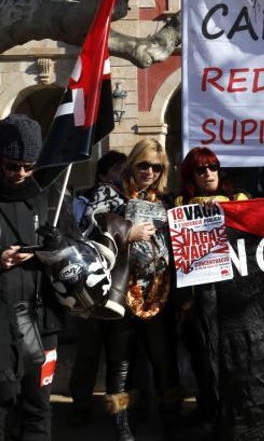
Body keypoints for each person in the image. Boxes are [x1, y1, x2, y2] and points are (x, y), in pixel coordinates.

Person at [80, 138, 181, 441]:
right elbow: (87, 227)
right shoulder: (108, 194)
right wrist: (127, 231)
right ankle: (122, 430)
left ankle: (171, 425)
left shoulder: (165, 199)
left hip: (159, 293)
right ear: (132, 164)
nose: (149, 171)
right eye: (143, 165)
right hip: (120, 293)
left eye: (156, 166)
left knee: (164, 360)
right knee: (119, 361)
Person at [0, 114, 76, 441]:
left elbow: (78, 253)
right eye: (12, 165)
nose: (21, 174)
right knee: (3, 402)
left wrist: (59, 245)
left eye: (28, 166)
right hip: (1, 323)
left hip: (41, 322)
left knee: (38, 407)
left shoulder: (53, 196)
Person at [174, 147, 247, 434]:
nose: (208, 174)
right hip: (195, 298)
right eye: (201, 169)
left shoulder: (238, 199)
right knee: (200, 356)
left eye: (213, 167)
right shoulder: (180, 203)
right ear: (190, 175)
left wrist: (224, 210)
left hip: (233, 296)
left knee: (231, 356)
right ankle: (207, 407)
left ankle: (231, 412)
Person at [68, 151, 128, 425]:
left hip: (110, 288)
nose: (123, 175)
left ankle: (96, 409)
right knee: (97, 353)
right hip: (97, 288)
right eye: (118, 169)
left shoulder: (130, 199)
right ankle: (91, 408)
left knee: (108, 354)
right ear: (104, 174)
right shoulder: (90, 198)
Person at [72, 150, 126, 223]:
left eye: (126, 169)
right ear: (103, 177)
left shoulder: (130, 197)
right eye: (117, 169)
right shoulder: (83, 202)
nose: (123, 173)